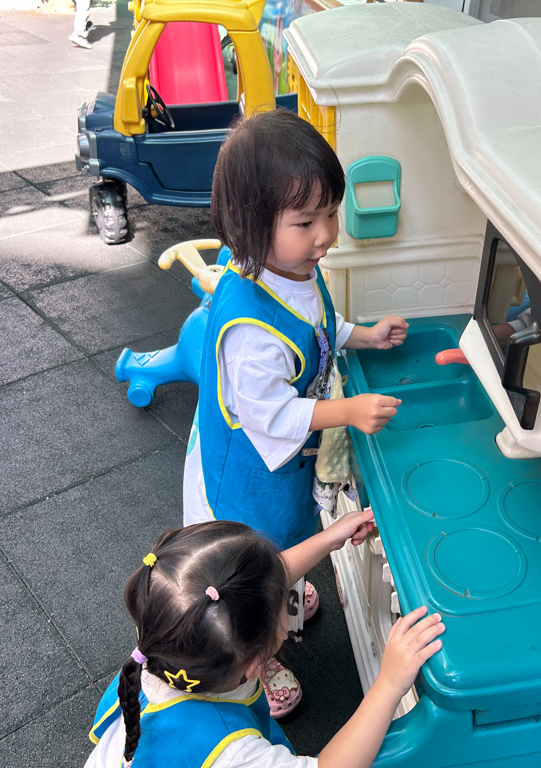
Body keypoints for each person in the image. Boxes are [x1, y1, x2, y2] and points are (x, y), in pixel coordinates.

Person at [182, 108, 410, 715]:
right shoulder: (250, 331)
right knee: (252, 565)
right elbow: (272, 416)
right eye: (306, 221)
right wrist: (346, 410)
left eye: (330, 213)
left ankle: (284, 593)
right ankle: (260, 653)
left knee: (288, 535)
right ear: (252, 226)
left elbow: (317, 328)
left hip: (279, 464)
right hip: (247, 474)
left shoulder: (291, 268)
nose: (325, 234)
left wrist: (363, 336)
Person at [85, 513, 445, 768]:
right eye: (282, 604)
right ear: (257, 663)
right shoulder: (234, 755)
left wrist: (329, 538)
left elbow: (256, 588)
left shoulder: (165, 646)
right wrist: (388, 684)